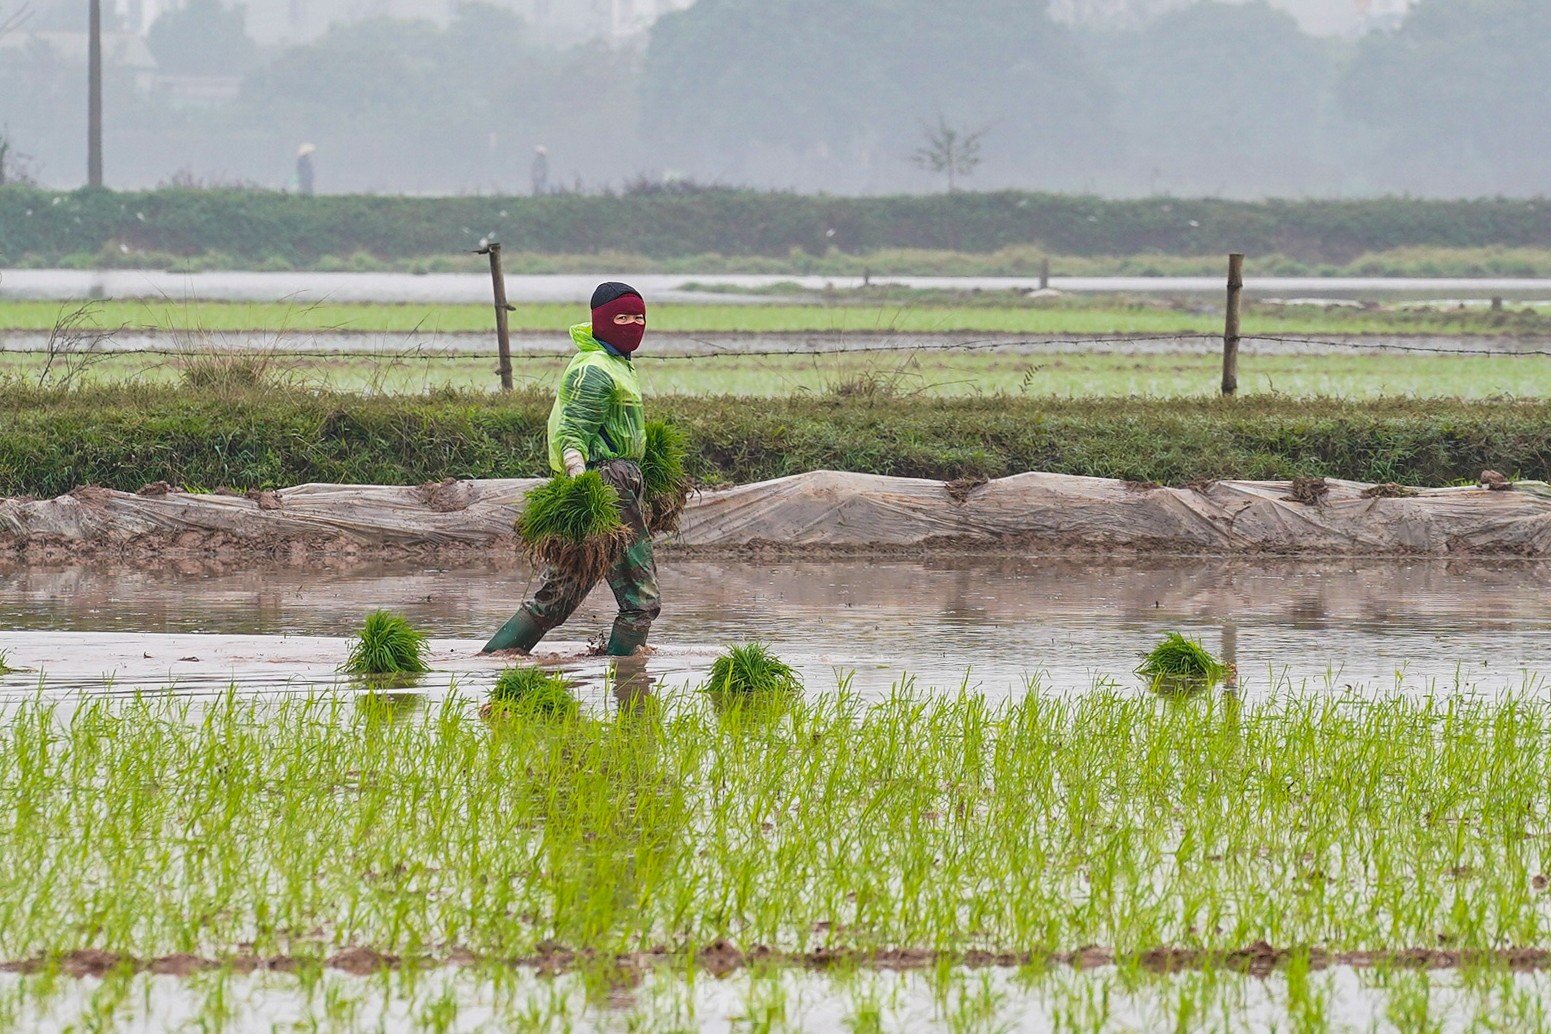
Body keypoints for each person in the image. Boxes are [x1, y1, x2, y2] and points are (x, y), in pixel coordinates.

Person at [483, 282, 661, 658]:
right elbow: (573, 431)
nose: (632, 324)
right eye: (622, 317)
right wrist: (580, 477)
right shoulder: (595, 368)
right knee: (640, 599)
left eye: (639, 317)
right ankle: (628, 682)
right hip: (606, 485)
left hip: (617, 480)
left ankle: (494, 660)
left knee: (559, 594)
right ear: (601, 321)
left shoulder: (615, 362)